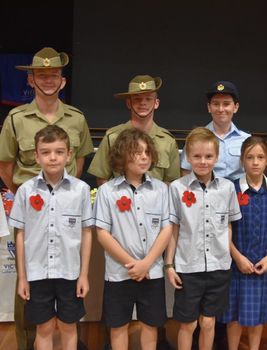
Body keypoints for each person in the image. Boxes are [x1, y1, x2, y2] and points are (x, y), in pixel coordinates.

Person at [0, 47, 94, 350]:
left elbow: (79, 163)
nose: (48, 80)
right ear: (31, 80)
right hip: (31, 207)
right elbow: (6, 166)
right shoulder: (16, 118)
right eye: (41, 75)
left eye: (53, 75)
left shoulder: (77, 118)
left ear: (62, 80)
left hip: (66, 204)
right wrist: (28, 200)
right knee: (27, 290)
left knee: (67, 301)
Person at [8, 125, 93, 350]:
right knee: (43, 328)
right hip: (37, 273)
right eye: (45, 152)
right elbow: (21, 235)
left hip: (70, 272)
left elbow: (86, 232)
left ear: (69, 155)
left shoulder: (81, 190)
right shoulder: (26, 191)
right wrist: (23, 278)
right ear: (36, 156)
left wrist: (83, 275)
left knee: (68, 326)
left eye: (58, 151)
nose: (52, 157)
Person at [93, 128, 172, 350]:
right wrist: (132, 263)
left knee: (150, 324)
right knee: (118, 326)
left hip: (152, 271)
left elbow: (167, 229)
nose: (144, 156)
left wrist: (146, 263)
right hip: (119, 273)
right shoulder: (107, 191)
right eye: (137, 152)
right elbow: (102, 233)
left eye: (147, 151)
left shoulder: (161, 190)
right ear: (122, 155)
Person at [165, 127, 242, 350]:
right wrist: (169, 264)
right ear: (188, 158)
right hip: (188, 267)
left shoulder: (227, 188)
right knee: (188, 323)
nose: (203, 161)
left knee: (208, 322)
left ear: (216, 157)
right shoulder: (177, 188)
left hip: (219, 267)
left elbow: (227, 225)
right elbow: (174, 228)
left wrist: (228, 254)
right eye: (197, 156)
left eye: (208, 156)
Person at [219, 136, 267, 350]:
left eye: (260, 157)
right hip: (236, 263)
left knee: (258, 315)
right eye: (250, 157)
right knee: (234, 315)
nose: (255, 162)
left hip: (264, 263)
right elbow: (223, 228)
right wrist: (237, 256)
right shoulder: (230, 189)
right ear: (242, 160)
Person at [88, 74, 180, 185]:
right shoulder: (113, 137)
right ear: (128, 103)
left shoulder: (167, 141)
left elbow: (170, 182)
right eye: (137, 99)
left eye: (148, 98)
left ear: (156, 103)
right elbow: (102, 178)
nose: (143, 103)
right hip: (120, 200)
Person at [180, 80, 250, 181]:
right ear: (209, 107)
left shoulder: (246, 140)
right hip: (205, 193)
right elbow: (186, 173)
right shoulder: (195, 138)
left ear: (235, 107)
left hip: (237, 195)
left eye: (226, 104)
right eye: (216, 104)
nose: (221, 109)